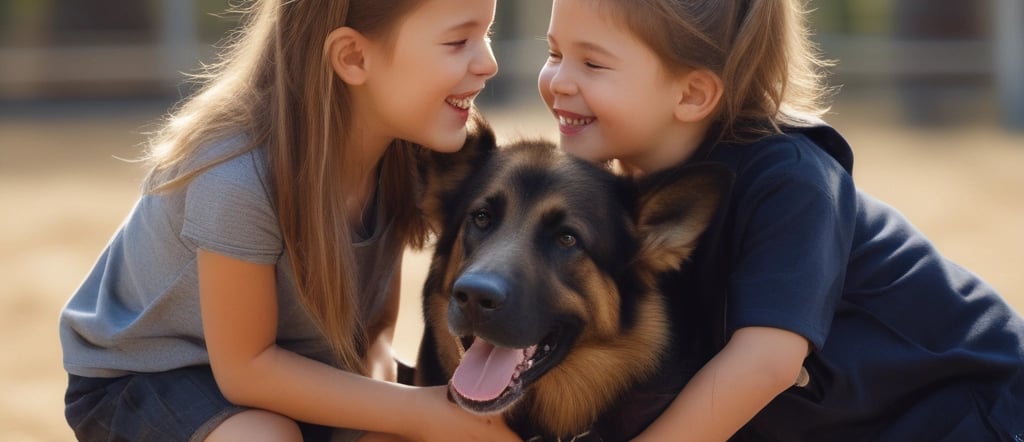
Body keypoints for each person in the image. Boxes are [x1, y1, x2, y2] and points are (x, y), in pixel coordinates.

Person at [538, 0, 1024, 440]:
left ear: (692, 94)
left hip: (975, 410)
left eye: (593, 63)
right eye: (554, 53)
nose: (558, 80)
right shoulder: (606, 198)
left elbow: (766, 363)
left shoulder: (791, 180)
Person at [58, 1, 520, 441]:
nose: (489, 63)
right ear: (353, 57)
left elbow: (373, 336)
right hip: (150, 375)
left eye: (489, 33)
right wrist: (421, 412)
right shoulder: (236, 178)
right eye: (458, 42)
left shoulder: (409, 155)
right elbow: (247, 369)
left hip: (293, 367)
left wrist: (393, 424)